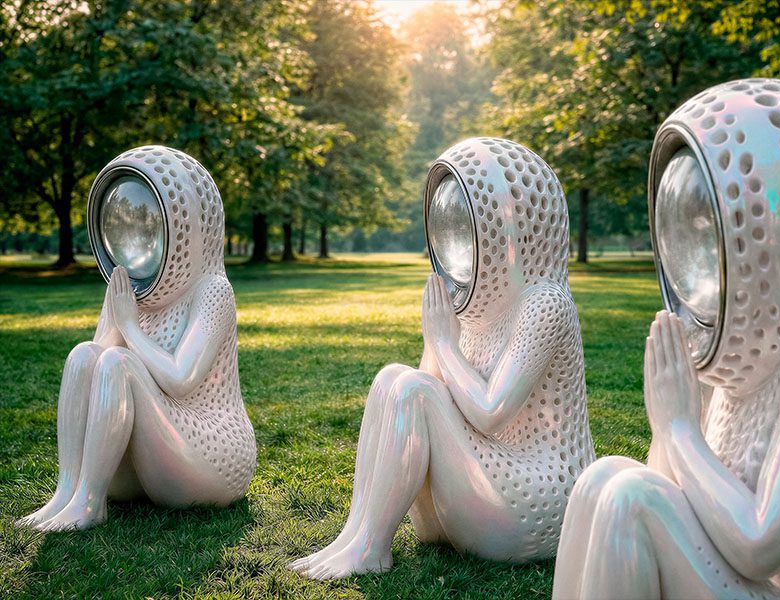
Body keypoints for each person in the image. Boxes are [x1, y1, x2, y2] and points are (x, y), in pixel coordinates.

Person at [552, 79, 780, 599]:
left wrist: (678, 429)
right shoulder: (739, 352)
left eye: (714, 226)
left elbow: (760, 546)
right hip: (754, 585)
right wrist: (674, 423)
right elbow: (675, 488)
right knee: (603, 479)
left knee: (630, 500)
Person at [289, 137, 595, 579]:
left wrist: (444, 344)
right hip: (483, 483)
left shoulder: (544, 303)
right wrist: (436, 343)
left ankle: (371, 547)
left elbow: (489, 412)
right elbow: (424, 399)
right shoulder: (476, 302)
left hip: (540, 499)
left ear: (511, 228)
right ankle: (357, 536)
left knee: (413, 389)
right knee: (392, 378)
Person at [17, 146, 256, 531]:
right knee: (83, 355)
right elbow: (96, 373)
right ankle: (68, 492)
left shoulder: (212, 291)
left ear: (186, 227)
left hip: (212, 453)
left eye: (150, 224)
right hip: (146, 450)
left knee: (120, 363)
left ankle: (90, 504)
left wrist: (129, 326)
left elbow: (180, 379)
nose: (139, 234)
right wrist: (118, 318)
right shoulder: (130, 285)